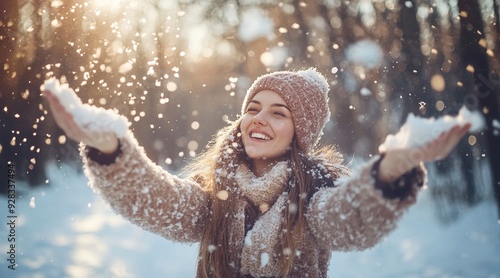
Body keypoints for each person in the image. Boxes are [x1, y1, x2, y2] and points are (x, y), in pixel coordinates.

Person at [42, 68, 470, 277]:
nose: (258, 119)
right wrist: (111, 148)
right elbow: (157, 200)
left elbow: (350, 219)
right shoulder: (216, 190)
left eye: (278, 113)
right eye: (252, 108)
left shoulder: (317, 195)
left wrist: (391, 168)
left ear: (299, 132)